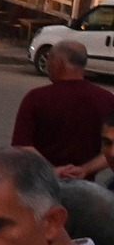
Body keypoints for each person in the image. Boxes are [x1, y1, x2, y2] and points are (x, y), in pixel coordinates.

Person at [12, 40, 114, 171]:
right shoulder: (106, 99)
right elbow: (109, 150)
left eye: (49, 59)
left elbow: (21, 145)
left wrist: (52, 171)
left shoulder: (36, 98)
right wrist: (84, 170)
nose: (47, 65)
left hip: (42, 184)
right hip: (85, 187)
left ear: (58, 63)